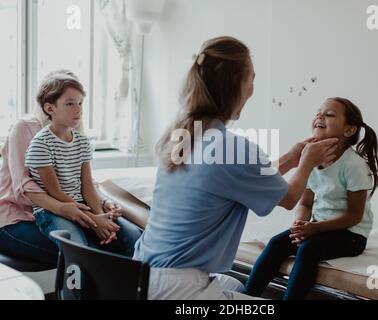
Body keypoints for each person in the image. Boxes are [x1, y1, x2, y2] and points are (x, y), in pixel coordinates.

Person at [132, 36, 338, 300]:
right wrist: (308, 162)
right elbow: (288, 199)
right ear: (235, 85)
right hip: (179, 290)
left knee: (235, 286)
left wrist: (292, 157)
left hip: (143, 276)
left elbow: (243, 177)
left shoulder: (183, 133)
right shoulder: (232, 148)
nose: (252, 89)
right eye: (251, 79)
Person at [244, 97, 378, 300]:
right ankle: (246, 297)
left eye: (329, 114)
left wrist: (313, 228)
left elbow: (354, 216)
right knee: (276, 243)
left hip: (350, 235)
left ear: (349, 130)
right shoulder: (312, 160)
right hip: (317, 228)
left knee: (308, 250)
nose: (320, 116)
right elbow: (305, 202)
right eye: (318, 112)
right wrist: (300, 224)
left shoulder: (354, 166)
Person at [0, 70, 130, 263]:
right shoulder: (25, 128)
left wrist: (103, 204)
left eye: (79, 102)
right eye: (69, 103)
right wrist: (89, 217)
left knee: (125, 240)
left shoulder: (74, 133)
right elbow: (25, 187)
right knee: (90, 253)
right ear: (51, 106)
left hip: (68, 211)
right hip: (17, 219)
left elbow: (82, 183)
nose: (76, 108)